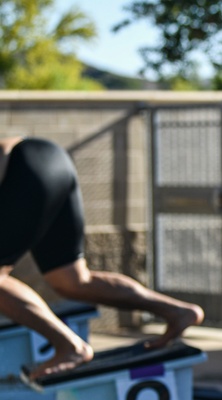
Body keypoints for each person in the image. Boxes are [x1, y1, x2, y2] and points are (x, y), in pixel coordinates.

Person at [0, 136, 204, 381]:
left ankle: (71, 347)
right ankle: (177, 311)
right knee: (72, 279)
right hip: (52, 158)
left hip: (21, 167)